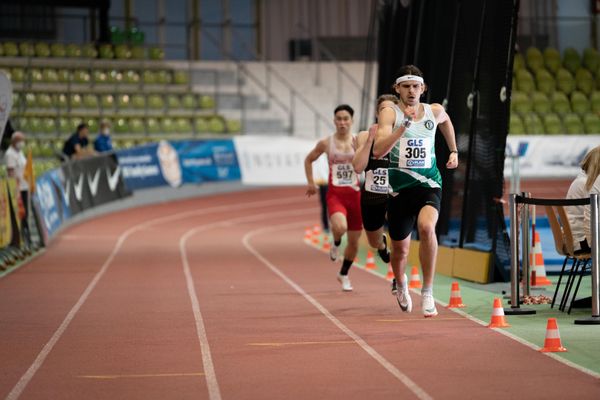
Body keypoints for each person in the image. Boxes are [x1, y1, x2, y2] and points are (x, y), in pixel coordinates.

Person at [373, 65, 459, 317]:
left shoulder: (434, 111)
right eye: (406, 86)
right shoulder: (390, 112)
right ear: (397, 88)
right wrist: (402, 128)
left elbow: (446, 122)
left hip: (429, 184)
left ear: (423, 89)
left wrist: (453, 150)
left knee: (427, 227)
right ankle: (400, 284)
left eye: (416, 86)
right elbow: (378, 150)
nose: (411, 91)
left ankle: (428, 292)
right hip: (399, 190)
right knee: (400, 251)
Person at [305, 104, 362, 292]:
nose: (342, 122)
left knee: (354, 242)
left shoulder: (358, 141)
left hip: (355, 196)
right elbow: (309, 159)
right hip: (336, 195)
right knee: (340, 227)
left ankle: (344, 274)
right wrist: (311, 182)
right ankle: (336, 242)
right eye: (339, 119)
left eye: (346, 119)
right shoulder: (326, 143)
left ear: (352, 121)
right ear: (334, 121)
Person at [352, 95, 399, 269]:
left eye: (391, 111)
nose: (386, 114)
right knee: (374, 242)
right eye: (382, 110)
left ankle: (398, 278)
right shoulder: (365, 135)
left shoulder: (404, 135)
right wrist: (370, 141)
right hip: (373, 194)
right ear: (377, 113)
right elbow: (358, 167)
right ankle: (382, 245)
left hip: (396, 193)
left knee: (399, 236)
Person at [567, 145, 600, 252]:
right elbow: (591, 216)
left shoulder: (582, 181)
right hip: (582, 241)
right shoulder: (586, 184)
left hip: (576, 238)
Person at [4, 131, 30, 244]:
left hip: (24, 187)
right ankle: (20, 239)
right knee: (20, 214)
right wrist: (15, 187)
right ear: (14, 141)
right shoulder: (10, 154)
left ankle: (25, 237)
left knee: (25, 213)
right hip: (17, 189)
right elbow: (11, 172)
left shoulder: (20, 153)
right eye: (20, 140)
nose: (22, 143)